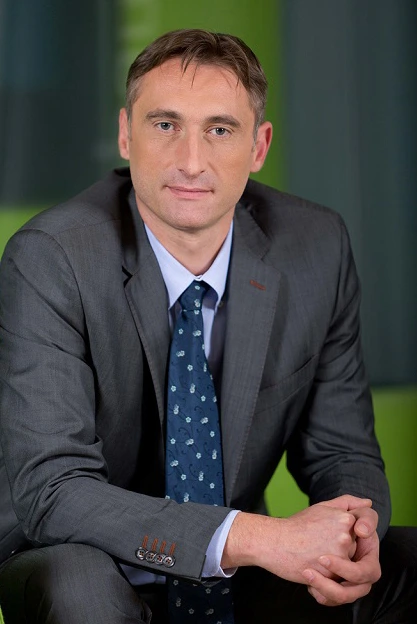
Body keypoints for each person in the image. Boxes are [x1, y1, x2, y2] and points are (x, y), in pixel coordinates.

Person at [0, 28, 416, 624]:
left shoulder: (316, 247)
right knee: (78, 584)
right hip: (80, 557)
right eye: (165, 125)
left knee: (406, 559)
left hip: (237, 571)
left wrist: (355, 534)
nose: (191, 162)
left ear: (259, 146)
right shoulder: (51, 257)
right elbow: (54, 490)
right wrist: (259, 537)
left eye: (220, 130)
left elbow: (341, 452)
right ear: (126, 133)